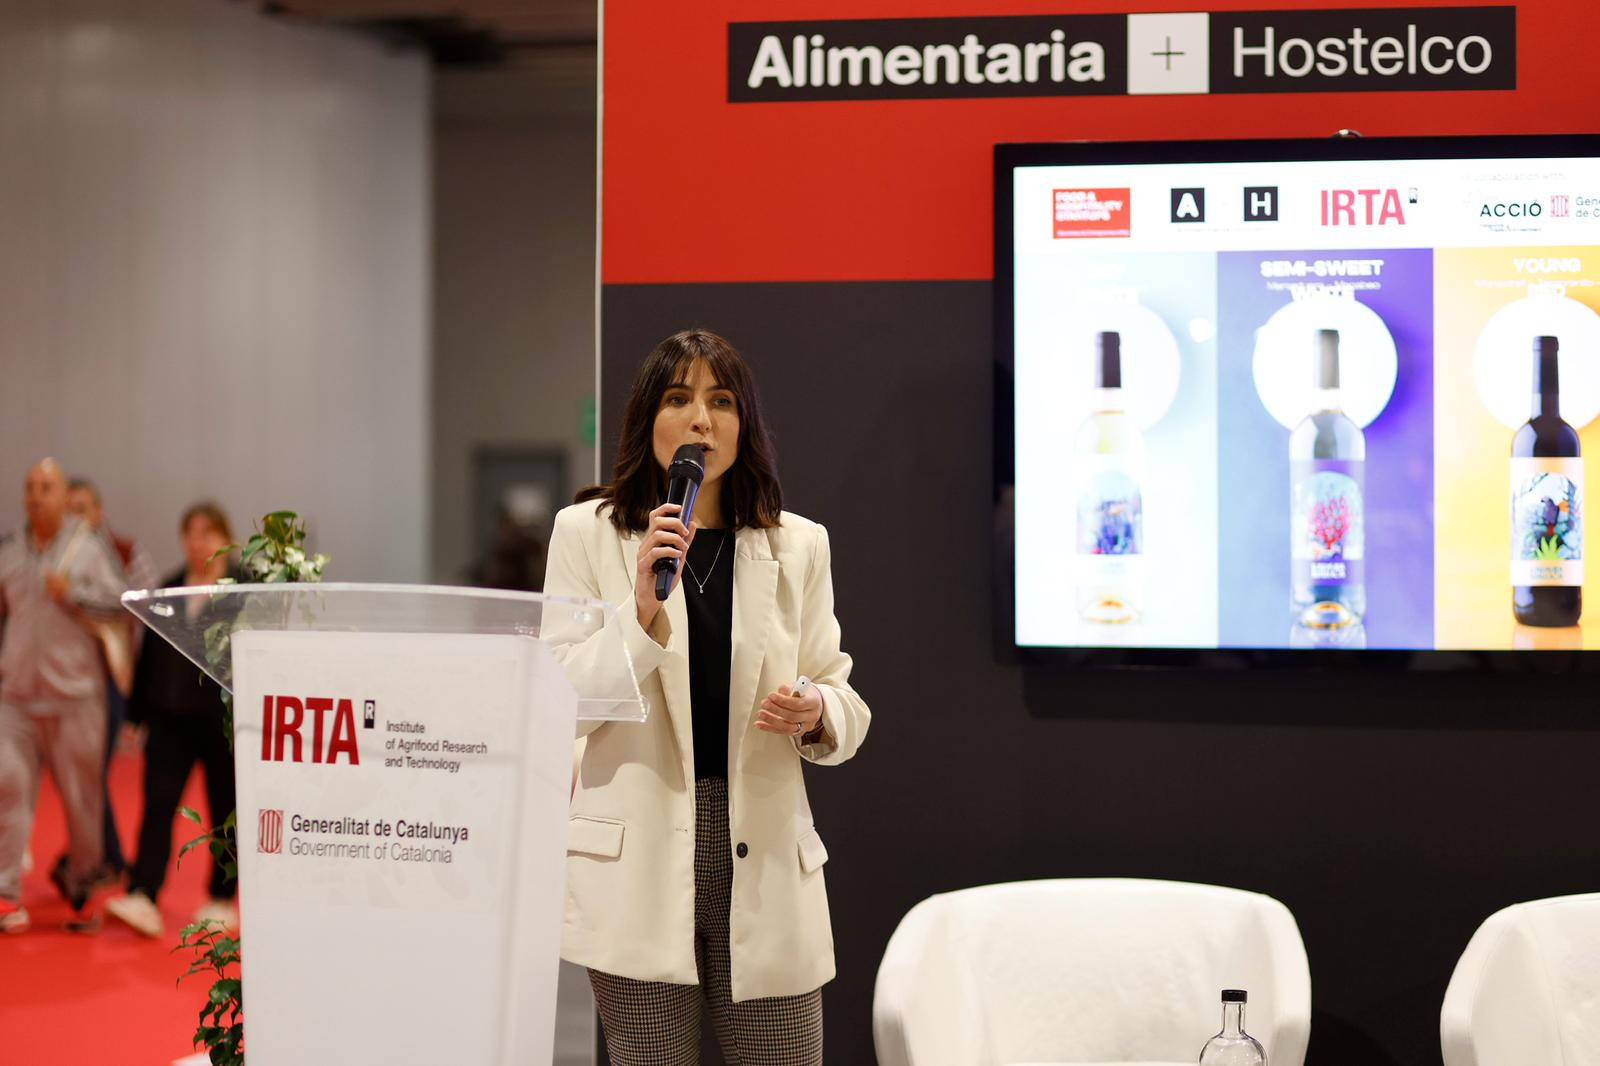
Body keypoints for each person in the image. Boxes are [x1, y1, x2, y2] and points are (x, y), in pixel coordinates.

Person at [543, 329, 871, 1065]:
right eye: (679, 398)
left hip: (765, 860)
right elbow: (558, 704)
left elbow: (843, 697)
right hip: (635, 864)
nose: (701, 419)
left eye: (721, 401)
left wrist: (817, 711)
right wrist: (641, 613)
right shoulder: (587, 534)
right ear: (647, 418)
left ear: (743, 423)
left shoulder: (798, 545)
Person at [0, 459, 127, 933]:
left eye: (46, 487)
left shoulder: (89, 547)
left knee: (82, 801)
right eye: (30, 487)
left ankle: (81, 885)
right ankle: (5, 892)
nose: (36, 496)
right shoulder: (10, 549)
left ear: (62, 495)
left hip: (75, 697)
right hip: (16, 696)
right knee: (7, 787)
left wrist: (73, 592)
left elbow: (121, 603)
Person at [105, 502, 241, 938]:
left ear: (225, 538)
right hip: (170, 720)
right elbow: (150, 656)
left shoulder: (247, 590)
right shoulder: (170, 587)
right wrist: (135, 715)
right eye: (190, 533)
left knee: (225, 809)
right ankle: (143, 893)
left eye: (207, 532)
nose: (197, 542)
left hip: (224, 723)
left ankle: (222, 897)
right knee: (158, 804)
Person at [65, 476, 156, 886]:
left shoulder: (125, 552)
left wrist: (81, 598)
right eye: (69, 510)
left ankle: (107, 857)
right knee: (83, 773)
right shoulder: (53, 557)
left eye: (81, 508)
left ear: (99, 511)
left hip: (112, 677)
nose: (75, 517)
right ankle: (98, 855)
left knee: (92, 771)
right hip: (67, 679)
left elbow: (144, 609)